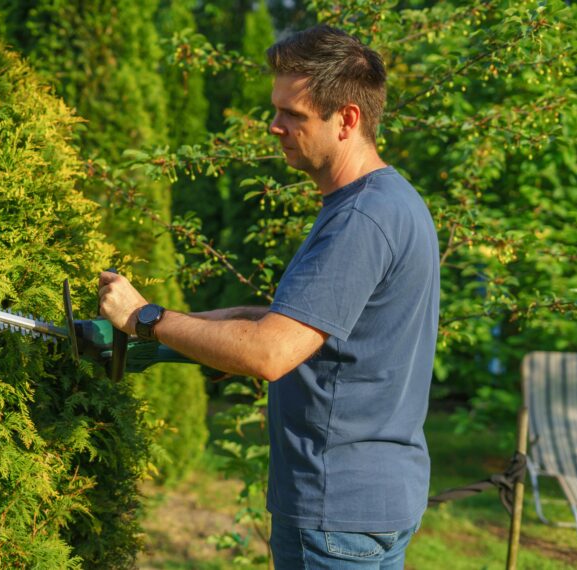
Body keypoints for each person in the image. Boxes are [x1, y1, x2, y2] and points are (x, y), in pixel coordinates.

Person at [98, 24, 439, 570]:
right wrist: (169, 336)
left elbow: (269, 352)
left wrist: (146, 318)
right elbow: (291, 325)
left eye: (293, 115)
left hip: (332, 512)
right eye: (275, 109)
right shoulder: (392, 201)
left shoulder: (359, 219)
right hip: (374, 501)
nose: (273, 126)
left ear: (346, 118)